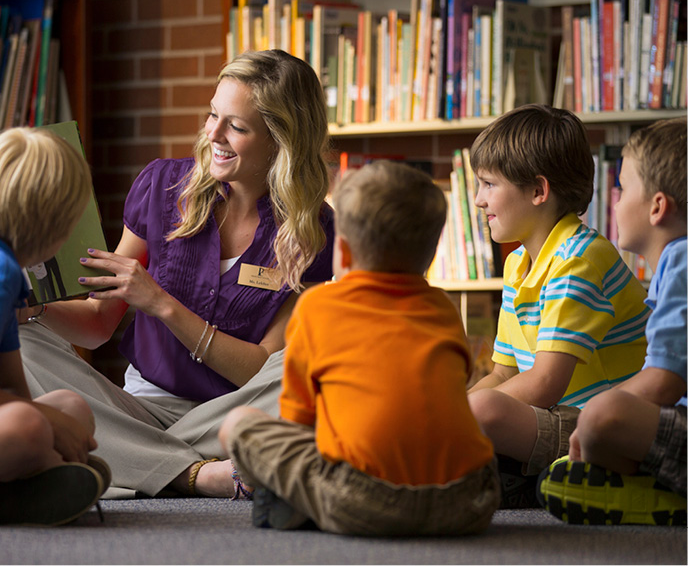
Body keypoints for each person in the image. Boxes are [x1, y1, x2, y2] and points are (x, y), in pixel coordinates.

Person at [18, 49, 335, 499]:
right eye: (212, 116)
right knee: (21, 339)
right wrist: (34, 306)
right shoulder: (162, 185)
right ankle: (200, 473)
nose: (214, 135)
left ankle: (138, 462)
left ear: (282, 141)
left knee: (305, 362)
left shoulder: (314, 230)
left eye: (237, 127)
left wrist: (162, 304)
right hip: (139, 408)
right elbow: (96, 326)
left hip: (230, 414)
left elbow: (259, 370)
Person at [219, 160, 500, 536]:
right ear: (430, 255)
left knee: (238, 425)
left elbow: (299, 420)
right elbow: (454, 382)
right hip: (470, 501)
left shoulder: (317, 307)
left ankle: (296, 500)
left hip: (365, 501)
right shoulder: (445, 308)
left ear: (345, 253)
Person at [466, 104, 649, 508]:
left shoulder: (578, 259)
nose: (478, 200)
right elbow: (501, 373)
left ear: (537, 191)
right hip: (558, 413)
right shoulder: (518, 264)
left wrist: (458, 419)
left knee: (480, 412)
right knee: (467, 407)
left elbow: (545, 383)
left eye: (488, 184)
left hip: (602, 423)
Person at [538, 117, 687, 526]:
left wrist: (594, 414)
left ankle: (661, 498)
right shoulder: (672, 267)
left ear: (657, 207)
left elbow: (664, 382)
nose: (615, 202)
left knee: (603, 417)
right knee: (603, 419)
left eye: (622, 189)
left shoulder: (682, 260)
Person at [0, 127, 107, 525]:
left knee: (71, 406)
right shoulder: (1, 273)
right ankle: (31, 482)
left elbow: (12, 386)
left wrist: (55, 421)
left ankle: (30, 482)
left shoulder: (12, 277)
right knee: (30, 427)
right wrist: (47, 429)